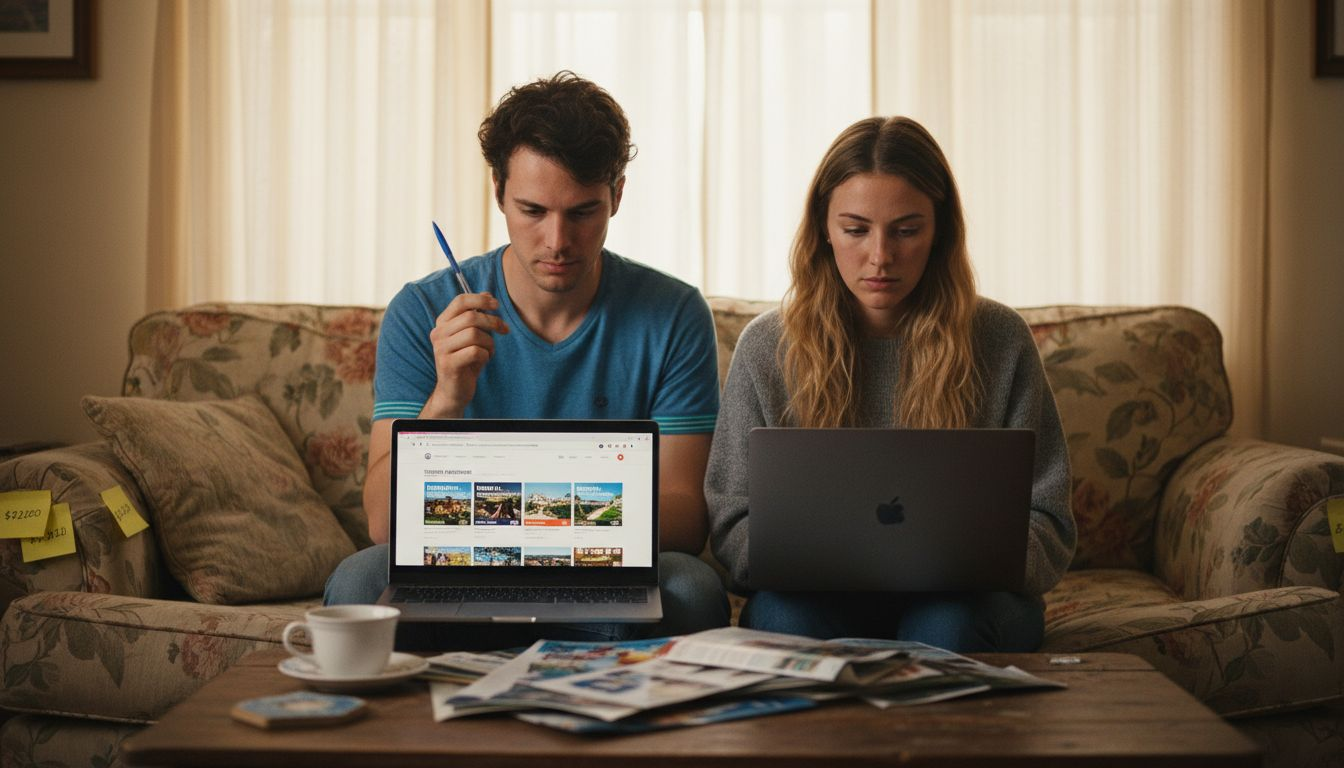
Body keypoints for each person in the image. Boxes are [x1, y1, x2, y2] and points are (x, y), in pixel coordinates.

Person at [326, 71, 730, 647]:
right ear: (498, 193)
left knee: (690, 588)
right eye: (533, 210)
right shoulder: (423, 311)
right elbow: (385, 521)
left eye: (584, 211)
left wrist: (507, 513)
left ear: (617, 193)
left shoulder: (673, 313)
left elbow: (687, 521)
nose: (558, 240)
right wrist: (447, 397)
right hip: (469, 559)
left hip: (601, 562)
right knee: (359, 583)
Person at [704, 116, 1075, 651]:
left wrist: (973, 563)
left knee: (941, 626)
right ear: (823, 230)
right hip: (814, 598)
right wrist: (819, 561)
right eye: (856, 229)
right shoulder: (768, 346)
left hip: (964, 600)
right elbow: (731, 518)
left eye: (906, 230)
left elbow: (1050, 518)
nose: (880, 256)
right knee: (784, 618)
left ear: (940, 230)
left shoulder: (999, 338)